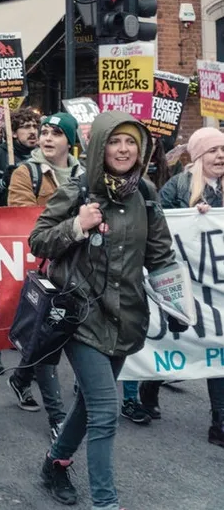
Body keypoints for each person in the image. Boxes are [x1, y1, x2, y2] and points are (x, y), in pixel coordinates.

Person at [29, 112, 179, 509]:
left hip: (126, 318)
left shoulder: (145, 193)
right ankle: (106, 502)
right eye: (115, 142)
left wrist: (178, 302)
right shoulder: (78, 191)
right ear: (100, 147)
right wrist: (76, 226)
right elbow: (38, 241)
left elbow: (161, 254)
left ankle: (55, 462)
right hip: (81, 318)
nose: (124, 149)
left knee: (88, 405)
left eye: (131, 142)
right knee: (105, 411)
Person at [125, 126, 224, 446]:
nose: (220, 156)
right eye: (212, 150)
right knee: (176, 339)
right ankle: (150, 388)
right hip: (184, 280)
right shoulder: (177, 187)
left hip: (217, 283)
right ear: (197, 156)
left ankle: (219, 422)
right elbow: (157, 224)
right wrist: (194, 218)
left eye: (223, 150)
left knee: (216, 343)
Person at [5, 112, 81, 441]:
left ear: (70, 141)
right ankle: (58, 417)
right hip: (48, 266)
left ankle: (21, 378)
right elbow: (24, 216)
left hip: (85, 273)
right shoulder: (28, 172)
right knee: (49, 341)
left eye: (56, 133)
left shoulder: (88, 174)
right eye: (44, 132)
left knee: (57, 338)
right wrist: (77, 222)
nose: (47, 138)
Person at [0, 106, 41, 374]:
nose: (33, 132)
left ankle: (27, 349)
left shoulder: (42, 158)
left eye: (35, 127)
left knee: (30, 293)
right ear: (13, 133)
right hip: (1, 234)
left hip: (32, 234)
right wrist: (2, 184)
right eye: (26, 127)